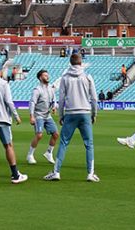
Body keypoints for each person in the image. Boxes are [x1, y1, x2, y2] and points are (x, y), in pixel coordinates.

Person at [47, 53, 98, 182]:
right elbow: (94, 98)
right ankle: (90, 173)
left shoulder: (65, 78)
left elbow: (62, 98)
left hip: (70, 112)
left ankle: (56, 172)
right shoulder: (87, 77)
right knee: (89, 144)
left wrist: (61, 115)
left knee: (64, 143)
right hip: (85, 112)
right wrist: (94, 114)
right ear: (81, 63)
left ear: (70, 63)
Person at [26, 69, 58, 165]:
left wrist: (54, 107)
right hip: (38, 115)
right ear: (40, 77)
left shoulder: (51, 88)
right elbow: (32, 103)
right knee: (39, 135)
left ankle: (49, 152)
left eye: (47, 75)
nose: (47, 77)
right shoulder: (37, 90)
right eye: (45, 75)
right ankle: (30, 155)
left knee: (56, 134)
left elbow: (54, 99)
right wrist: (32, 116)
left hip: (47, 115)